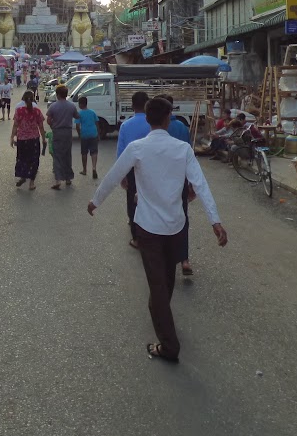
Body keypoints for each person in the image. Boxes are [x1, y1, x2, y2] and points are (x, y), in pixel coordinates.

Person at [88, 97, 228, 364]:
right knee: (164, 281)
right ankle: (165, 327)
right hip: (175, 226)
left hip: (148, 229)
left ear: (149, 119)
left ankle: (169, 345)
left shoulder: (137, 147)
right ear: (168, 118)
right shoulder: (182, 149)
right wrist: (215, 221)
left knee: (158, 287)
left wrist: (96, 201)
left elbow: (113, 176)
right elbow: (201, 185)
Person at [164, 95, 194, 276]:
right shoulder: (182, 127)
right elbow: (190, 156)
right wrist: (191, 182)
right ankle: (184, 260)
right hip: (180, 180)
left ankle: (165, 258)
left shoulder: (157, 129)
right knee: (182, 217)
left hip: (160, 181)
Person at [118, 91, 151, 248]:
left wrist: (122, 175)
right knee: (150, 199)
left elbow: (121, 153)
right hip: (151, 169)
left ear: (132, 106)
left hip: (132, 169)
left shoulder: (126, 125)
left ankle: (137, 237)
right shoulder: (153, 124)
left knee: (132, 200)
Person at [10, 90, 47, 190]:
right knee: (34, 160)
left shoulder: (19, 111)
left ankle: (23, 176)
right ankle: (31, 183)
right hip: (34, 139)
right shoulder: (37, 111)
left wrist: (12, 137)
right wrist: (44, 139)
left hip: (22, 139)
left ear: (23, 99)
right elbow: (41, 127)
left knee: (22, 159)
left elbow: (15, 125)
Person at [46, 84, 79, 190]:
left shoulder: (53, 106)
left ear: (58, 94)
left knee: (57, 156)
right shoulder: (71, 106)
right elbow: (77, 116)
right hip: (68, 132)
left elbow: (48, 120)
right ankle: (68, 178)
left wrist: (53, 126)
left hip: (57, 132)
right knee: (67, 155)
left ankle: (58, 180)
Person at [75, 96, 100, 179]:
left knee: (84, 152)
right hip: (93, 133)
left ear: (81, 104)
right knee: (94, 152)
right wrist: (98, 134)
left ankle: (85, 170)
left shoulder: (79, 114)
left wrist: (79, 134)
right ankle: (94, 168)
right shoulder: (92, 112)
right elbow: (97, 123)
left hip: (84, 134)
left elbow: (77, 126)